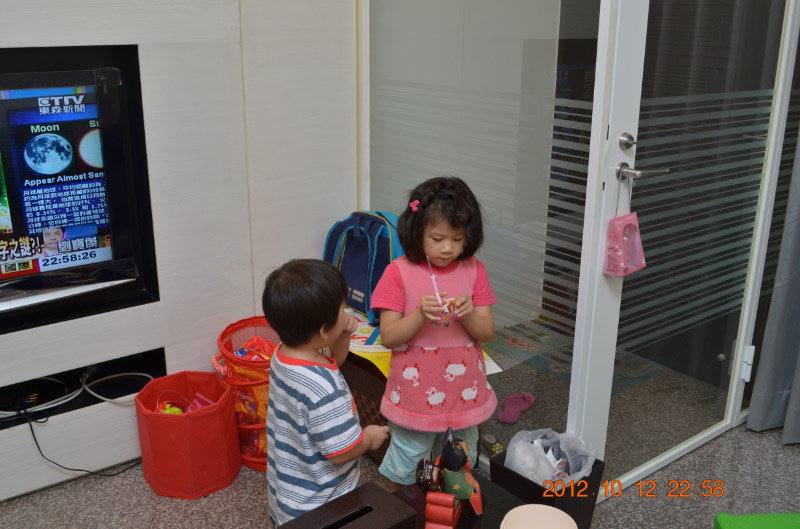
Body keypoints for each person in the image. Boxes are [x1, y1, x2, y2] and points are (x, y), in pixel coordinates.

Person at [371, 176, 497, 490]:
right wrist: (418, 315)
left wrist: (468, 315)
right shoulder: (398, 272)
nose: (448, 248)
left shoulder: (474, 269)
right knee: (411, 457)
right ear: (416, 232)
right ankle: (404, 507)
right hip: (416, 394)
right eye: (437, 238)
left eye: (457, 238)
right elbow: (390, 337)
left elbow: (486, 332)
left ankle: (448, 500)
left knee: (457, 457)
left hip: (464, 392)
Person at [262, 258, 390, 526]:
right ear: (322, 330)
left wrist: (341, 336)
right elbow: (341, 451)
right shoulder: (326, 391)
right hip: (322, 504)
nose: (347, 314)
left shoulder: (284, 355)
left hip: (289, 493)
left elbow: (332, 362)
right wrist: (368, 438)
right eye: (343, 309)